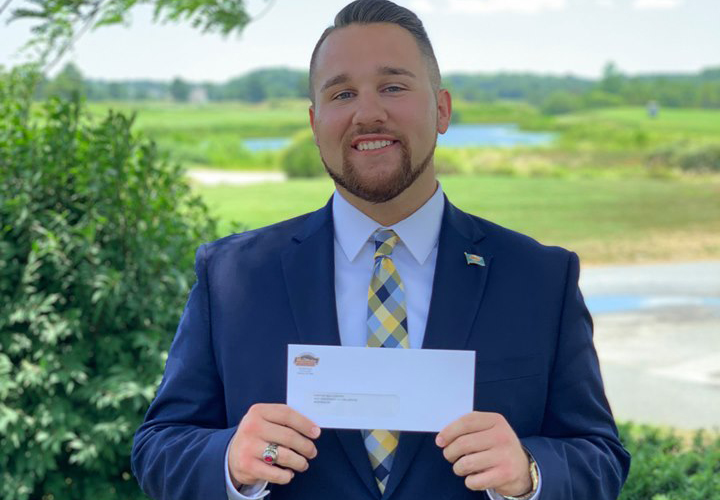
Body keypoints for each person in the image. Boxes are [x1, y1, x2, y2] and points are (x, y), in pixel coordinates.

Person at [131, 1, 631, 499]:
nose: (368, 113)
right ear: (315, 123)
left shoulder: (540, 278)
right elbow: (159, 447)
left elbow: (600, 456)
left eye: (393, 87)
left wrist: (529, 471)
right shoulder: (232, 276)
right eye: (342, 93)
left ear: (442, 110)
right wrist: (229, 460)